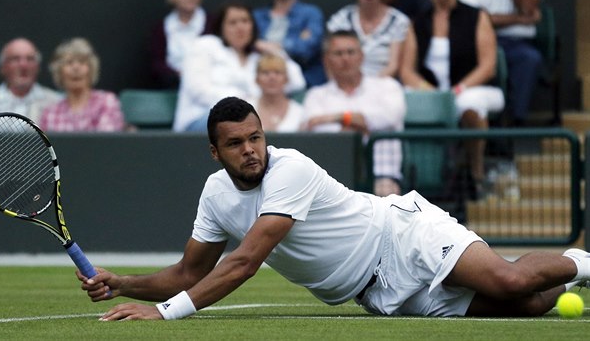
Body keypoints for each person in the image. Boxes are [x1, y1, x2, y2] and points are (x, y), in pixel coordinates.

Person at [77, 96, 590, 320]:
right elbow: (190, 271)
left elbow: (245, 261)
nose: (251, 150)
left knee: (511, 282)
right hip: (379, 295)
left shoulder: (289, 168)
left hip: (402, 236)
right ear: (215, 152)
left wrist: (165, 314)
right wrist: (124, 284)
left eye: (255, 137)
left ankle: (585, 263)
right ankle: (568, 273)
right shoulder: (215, 194)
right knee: (530, 307)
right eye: (235, 144)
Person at [399, 0, 504, 196]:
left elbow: (488, 66)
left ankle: (476, 172)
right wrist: (430, 92)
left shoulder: (477, 16)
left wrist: (457, 90)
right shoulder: (417, 22)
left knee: (468, 103)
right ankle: (418, 176)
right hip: (432, 93)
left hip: (474, 88)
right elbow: (406, 71)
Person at [172, 0, 305, 132]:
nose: (240, 27)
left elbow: (297, 82)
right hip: (199, 121)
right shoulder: (205, 45)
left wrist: (274, 51)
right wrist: (242, 100)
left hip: (246, 123)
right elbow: (198, 90)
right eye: (233, 22)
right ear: (221, 27)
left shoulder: (256, 58)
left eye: (245, 21)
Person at [303, 30, 405, 197]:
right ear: (326, 60)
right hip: (331, 177)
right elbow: (314, 129)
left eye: (351, 52)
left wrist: (339, 118)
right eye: (338, 53)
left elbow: (389, 117)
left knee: (387, 199)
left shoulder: (387, 86)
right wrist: (357, 124)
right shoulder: (315, 95)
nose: (345, 58)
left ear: (362, 56)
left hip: (381, 175)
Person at [455, 0, 543, 126]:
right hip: (477, 40)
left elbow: (528, 8)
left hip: (516, 42)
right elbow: (473, 17)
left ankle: (514, 125)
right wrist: (518, 19)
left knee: (529, 58)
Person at [0, 38, 62, 132]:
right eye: (15, 59)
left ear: (38, 67)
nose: (23, 65)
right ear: (3, 67)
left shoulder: (57, 103)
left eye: (30, 59)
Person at [40, 38, 125, 132]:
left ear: (91, 69)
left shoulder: (107, 102)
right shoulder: (50, 113)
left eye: (82, 62)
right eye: (69, 62)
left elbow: (106, 143)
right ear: (59, 72)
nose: (76, 68)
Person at [326, 0, 410, 78]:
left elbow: (393, 66)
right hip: (345, 84)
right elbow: (330, 61)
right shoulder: (340, 20)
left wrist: (369, 86)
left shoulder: (398, 21)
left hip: (383, 85)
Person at [253, 0, 326, 87]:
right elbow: (247, 46)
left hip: (304, 84)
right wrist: (297, 41)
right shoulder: (257, 17)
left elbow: (306, 49)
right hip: (260, 83)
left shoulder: (311, 14)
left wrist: (272, 46)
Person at [149, 0, 213, 89]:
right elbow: (157, 65)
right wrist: (178, 75)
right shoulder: (161, 28)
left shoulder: (215, 24)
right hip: (172, 90)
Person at [248, 54, 304, 132]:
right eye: (265, 72)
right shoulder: (247, 109)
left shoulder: (300, 112)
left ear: (286, 79)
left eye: (278, 72)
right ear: (257, 79)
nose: (272, 78)